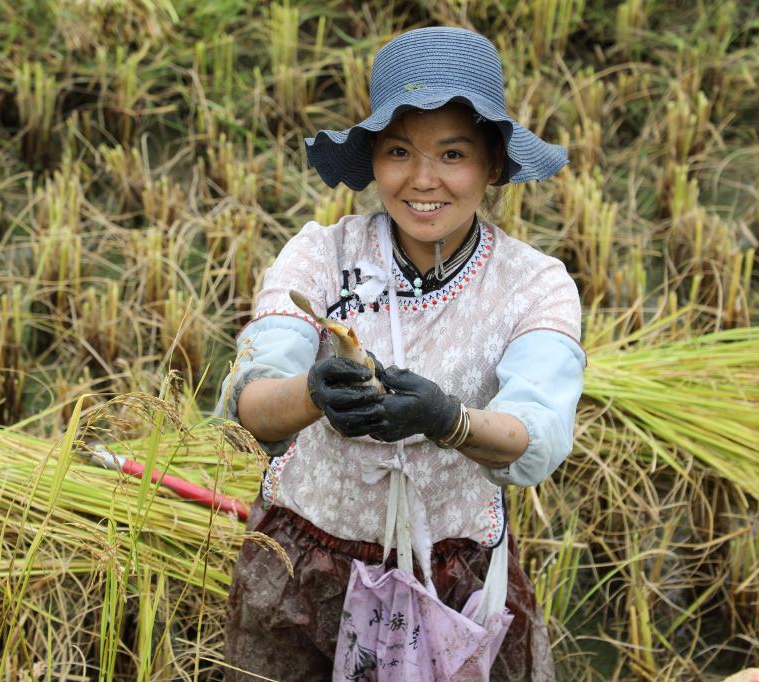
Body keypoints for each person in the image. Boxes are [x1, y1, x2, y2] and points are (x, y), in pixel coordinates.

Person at [217, 26, 585, 681]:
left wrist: (449, 420)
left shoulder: (532, 285)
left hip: (453, 571)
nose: (422, 181)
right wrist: (312, 394)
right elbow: (253, 399)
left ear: (492, 164)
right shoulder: (321, 257)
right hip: (306, 563)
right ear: (373, 162)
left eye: (452, 154)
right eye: (397, 151)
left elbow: (539, 435)